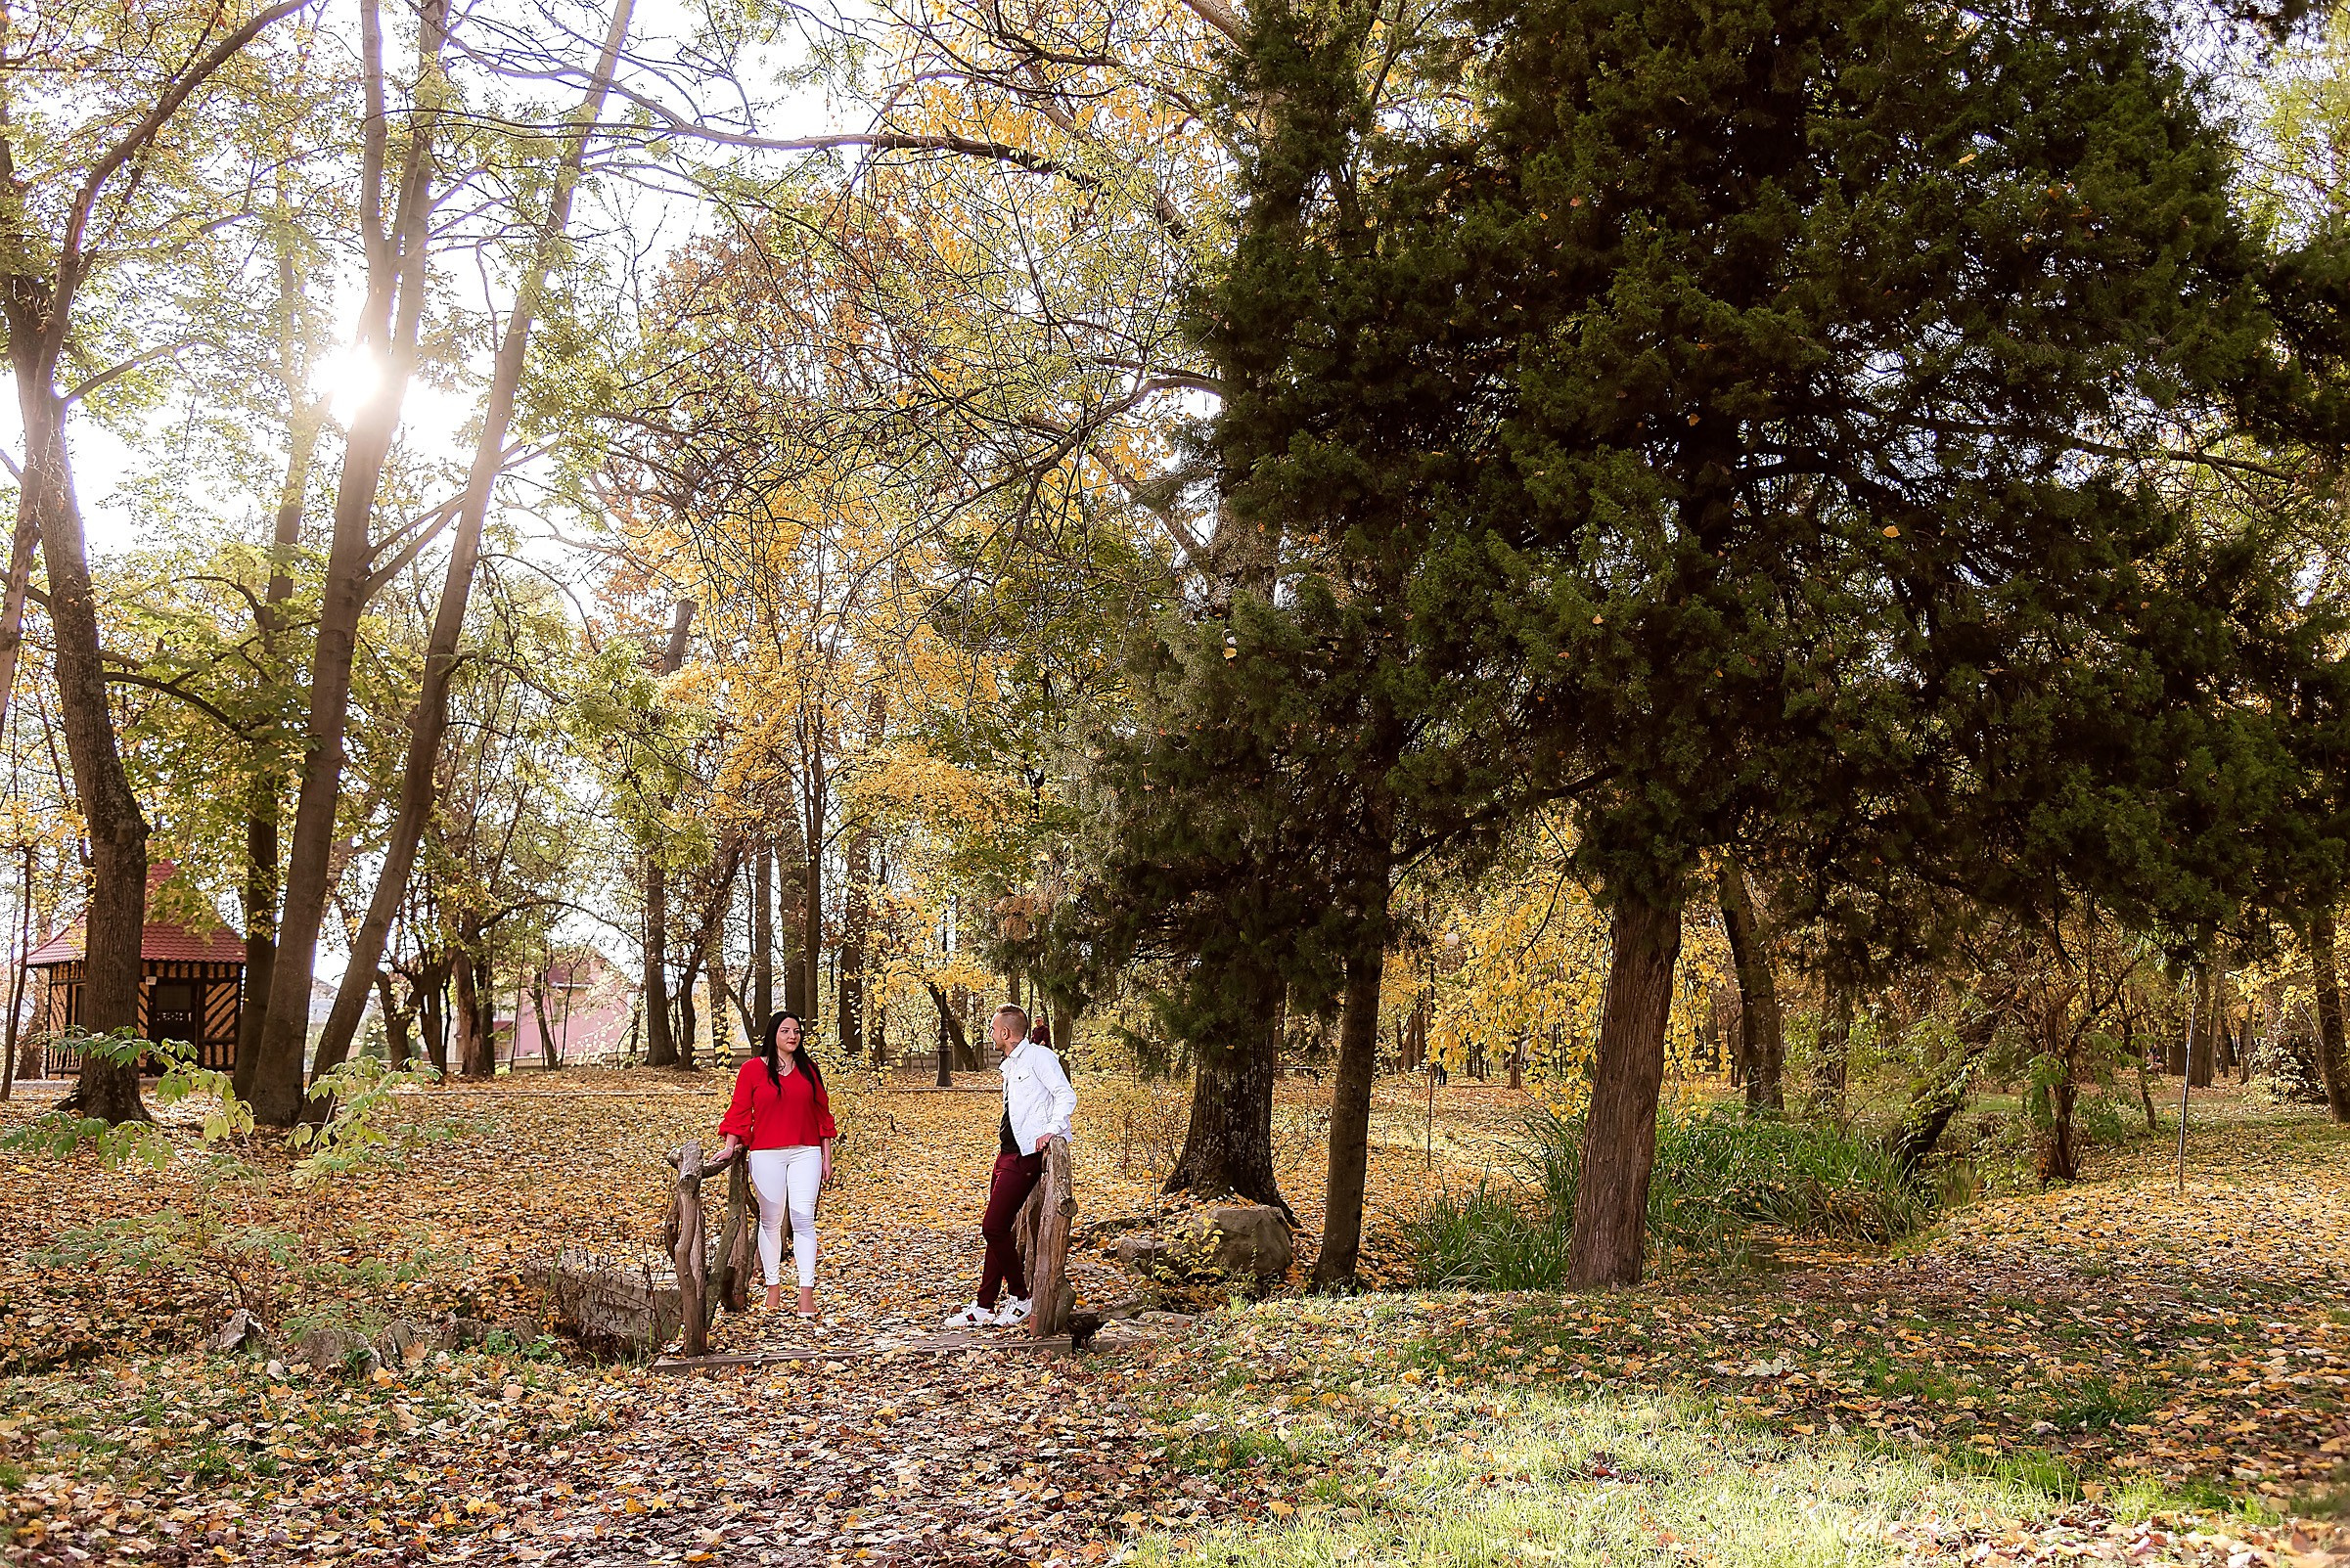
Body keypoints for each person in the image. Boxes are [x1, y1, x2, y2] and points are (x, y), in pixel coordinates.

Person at [943, 1002, 1075, 1327]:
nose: (990, 1034)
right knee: (997, 1228)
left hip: (1026, 1156)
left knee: (993, 1226)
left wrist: (1052, 1129)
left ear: (1005, 1032)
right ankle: (984, 1306)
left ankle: (1021, 1297)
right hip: (1006, 1153)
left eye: (993, 1029)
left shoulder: (1040, 1058)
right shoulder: (1011, 1063)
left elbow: (1065, 1094)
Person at [717, 1012, 836, 1319]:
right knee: (770, 1221)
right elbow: (739, 1111)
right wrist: (730, 1146)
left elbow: (822, 1114)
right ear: (774, 1034)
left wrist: (827, 1157)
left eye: (797, 1031)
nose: (793, 1036)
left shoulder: (809, 1070)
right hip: (766, 1153)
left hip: (806, 1152)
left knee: (803, 1219)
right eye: (785, 1031)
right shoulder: (752, 1070)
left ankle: (806, 1294)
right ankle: (773, 1288)